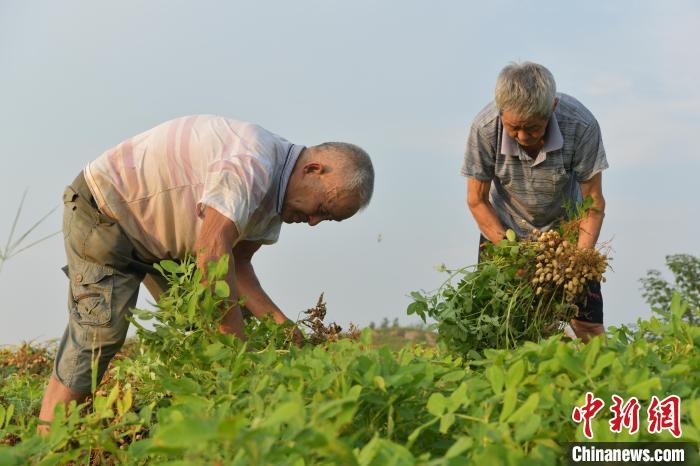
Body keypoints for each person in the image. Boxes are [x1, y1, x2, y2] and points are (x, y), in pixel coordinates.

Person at [38, 115, 374, 428]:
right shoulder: (253, 165)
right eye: (323, 209)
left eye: (327, 220)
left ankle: (197, 421)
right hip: (106, 212)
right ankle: (50, 444)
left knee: (212, 322)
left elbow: (237, 266)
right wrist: (235, 352)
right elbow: (213, 255)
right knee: (101, 331)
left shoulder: (279, 200)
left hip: (162, 241)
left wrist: (285, 329)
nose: (313, 222)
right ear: (314, 170)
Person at [461, 62, 608, 343]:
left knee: (587, 325)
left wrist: (577, 260)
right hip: (504, 233)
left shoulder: (581, 125)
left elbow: (593, 202)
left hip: (566, 236)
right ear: (501, 111)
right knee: (498, 324)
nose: (524, 137)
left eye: (533, 128)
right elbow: (477, 200)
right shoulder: (484, 128)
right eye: (514, 128)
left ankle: (605, 380)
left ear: (552, 108)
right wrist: (514, 254)